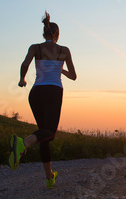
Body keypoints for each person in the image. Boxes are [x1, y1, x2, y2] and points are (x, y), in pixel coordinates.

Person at [9, 11, 77, 189]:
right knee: (50, 133)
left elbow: (25, 64)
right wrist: (60, 70)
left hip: (36, 93)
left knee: (43, 134)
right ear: (57, 35)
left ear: (43, 34)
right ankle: (22, 143)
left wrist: (22, 79)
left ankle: (49, 177)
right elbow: (74, 76)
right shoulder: (64, 50)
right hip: (54, 92)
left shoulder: (35, 47)